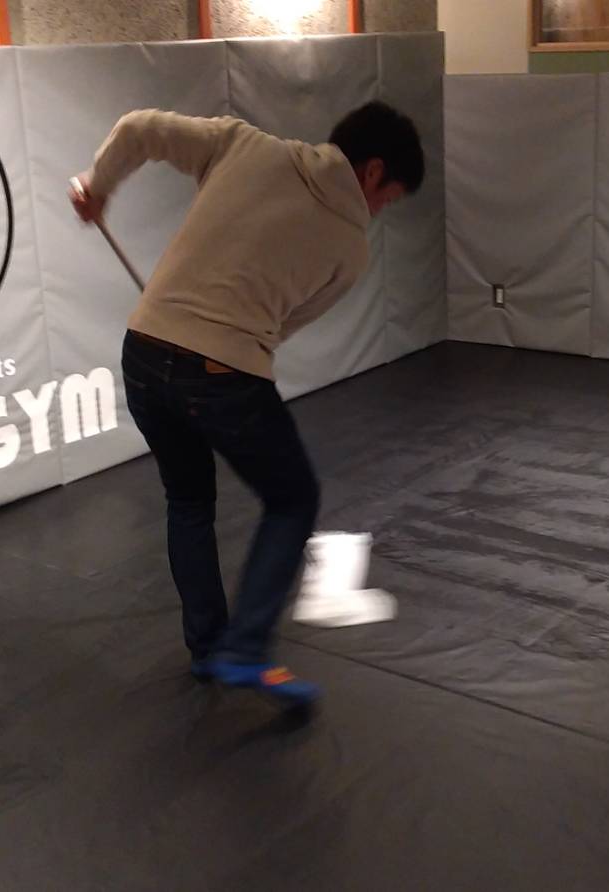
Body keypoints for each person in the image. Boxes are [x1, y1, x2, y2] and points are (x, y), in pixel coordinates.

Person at [70, 102, 424, 705]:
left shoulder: (245, 144)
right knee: (293, 499)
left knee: (188, 500)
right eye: (387, 198)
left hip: (143, 352)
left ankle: (209, 648)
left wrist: (97, 187)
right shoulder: (350, 250)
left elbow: (136, 129)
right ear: (372, 172)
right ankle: (244, 649)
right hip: (223, 374)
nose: (380, 210)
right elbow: (280, 328)